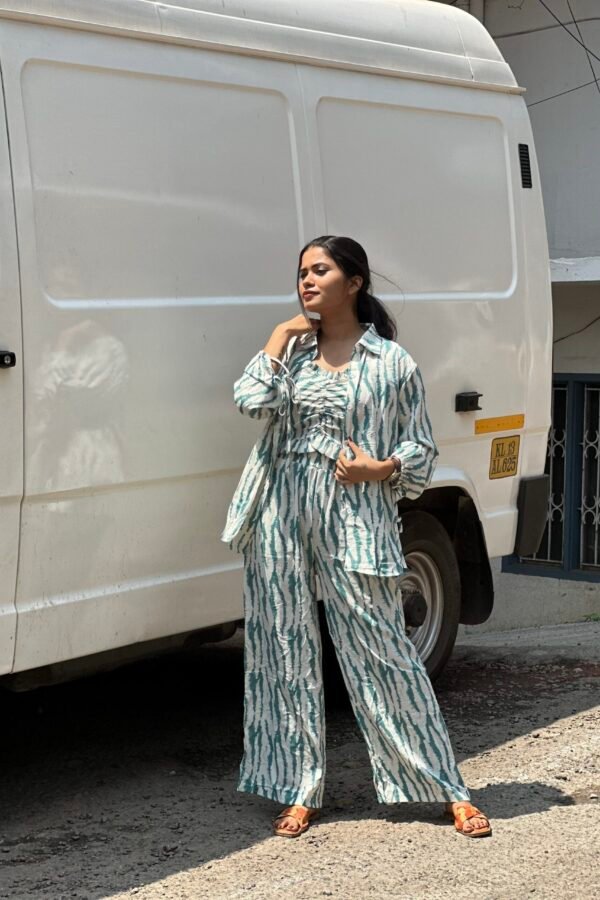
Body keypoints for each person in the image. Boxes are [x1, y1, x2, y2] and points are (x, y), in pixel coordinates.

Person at [221, 235, 492, 839]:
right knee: (282, 647)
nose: (306, 281)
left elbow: (420, 449)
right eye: (301, 272)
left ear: (355, 282)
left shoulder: (391, 362)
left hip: (354, 515)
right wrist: (277, 337)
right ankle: (297, 788)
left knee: (383, 649)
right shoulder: (291, 352)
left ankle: (445, 786)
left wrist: (380, 468)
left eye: (320, 270)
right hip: (281, 509)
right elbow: (250, 402)